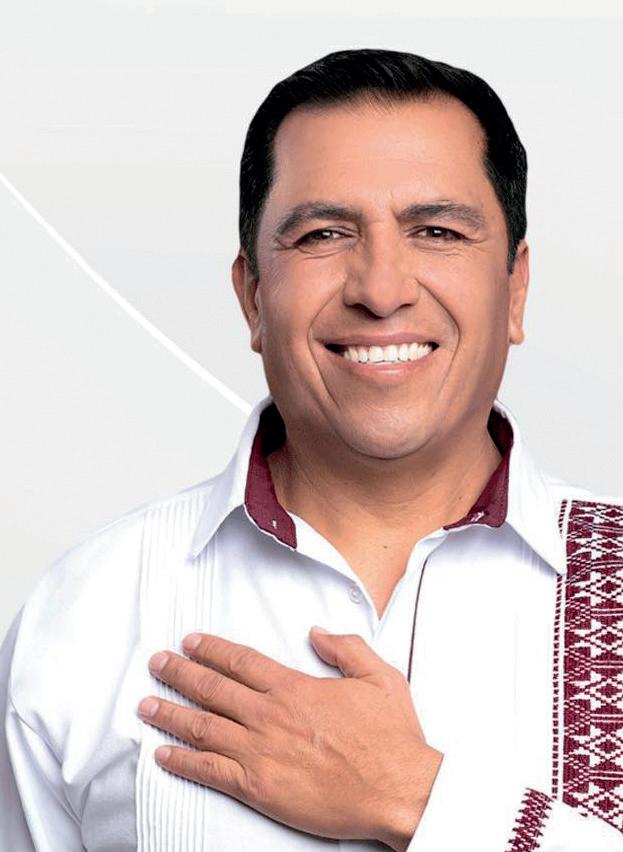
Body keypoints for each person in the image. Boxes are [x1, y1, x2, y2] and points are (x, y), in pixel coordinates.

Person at [1, 47, 622, 852]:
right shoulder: (85, 612)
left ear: (515, 289)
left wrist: (418, 802)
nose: (381, 289)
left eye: (436, 231)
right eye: (324, 234)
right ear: (252, 298)